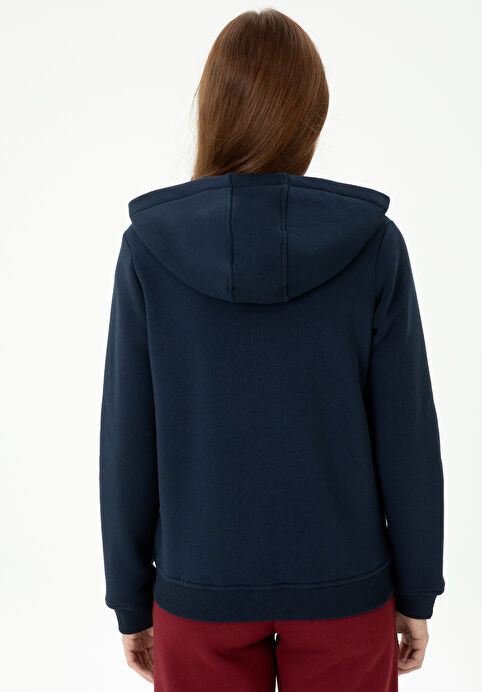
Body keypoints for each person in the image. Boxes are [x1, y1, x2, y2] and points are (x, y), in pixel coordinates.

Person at [99, 9, 445, 691]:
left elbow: (128, 439)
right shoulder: (373, 245)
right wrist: (416, 591)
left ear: (212, 111)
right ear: (309, 116)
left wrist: (130, 600)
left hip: (199, 587)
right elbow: (406, 434)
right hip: (345, 586)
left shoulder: (150, 250)